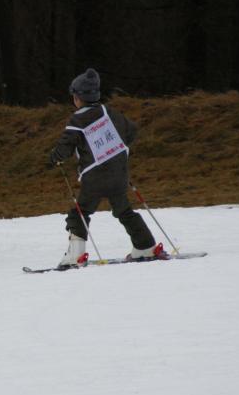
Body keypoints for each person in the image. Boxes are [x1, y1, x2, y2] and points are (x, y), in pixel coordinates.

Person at [49, 67, 164, 266]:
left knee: (80, 212)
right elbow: (131, 131)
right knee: (124, 210)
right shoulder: (109, 113)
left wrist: (54, 157)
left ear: (77, 98)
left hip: (94, 178)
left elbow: (65, 148)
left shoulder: (77, 119)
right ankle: (145, 245)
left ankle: (76, 255)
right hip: (119, 174)